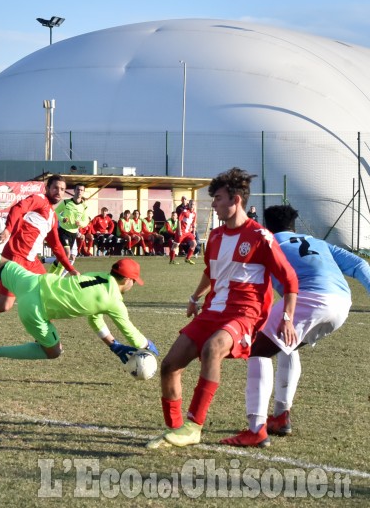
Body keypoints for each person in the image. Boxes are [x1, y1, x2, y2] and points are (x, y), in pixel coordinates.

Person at [147, 167, 298, 449]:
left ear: (236, 199)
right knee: (169, 365)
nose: (213, 204)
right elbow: (211, 272)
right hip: (212, 310)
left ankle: (194, 424)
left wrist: (287, 317)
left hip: (244, 314)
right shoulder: (215, 237)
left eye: (217, 198)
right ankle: (177, 429)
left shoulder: (260, 237)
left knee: (212, 349)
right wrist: (194, 298)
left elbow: (290, 280)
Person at [219, 204, 370, 447]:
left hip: (310, 298)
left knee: (258, 349)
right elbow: (362, 265)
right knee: (287, 345)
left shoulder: (267, 241)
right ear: (294, 226)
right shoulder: (319, 243)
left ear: (267, 225)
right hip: (341, 304)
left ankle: (256, 429)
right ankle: (280, 416)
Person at [0, 212, 157, 365]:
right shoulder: (114, 301)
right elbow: (131, 333)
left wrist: (113, 344)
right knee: (54, 351)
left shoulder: (99, 276)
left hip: (34, 281)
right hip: (35, 309)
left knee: (0, 262)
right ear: (127, 280)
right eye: (134, 281)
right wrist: (148, 347)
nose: (133, 285)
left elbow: (94, 316)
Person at [0, 175, 79, 340]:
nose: (58, 192)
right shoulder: (39, 200)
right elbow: (18, 208)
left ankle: (45, 337)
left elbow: (56, 245)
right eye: (55, 187)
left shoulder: (52, 216)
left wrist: (71, 269)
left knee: (48, 295)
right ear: (47, 188)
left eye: (62, 189)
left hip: (32, 262)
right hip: (14, 257)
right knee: (3, 305)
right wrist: (8, 229)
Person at [51, 183, 91, 274]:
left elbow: (86, 221)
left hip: (73, 233)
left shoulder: (84, 207)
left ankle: (50, 275)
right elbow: (56, 212)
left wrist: (80, 223)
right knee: (67, 254)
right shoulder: (66, 202)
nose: (79, 191)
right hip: (63, 231)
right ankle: (57, 278)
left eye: (81, 190)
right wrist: (62, 219)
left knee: (61, 257)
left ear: (83, 192)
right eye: (78, 189)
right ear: (74, 190)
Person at [172, 200, 198, 264]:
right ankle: (172, 260)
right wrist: (180, 231)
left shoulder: (194, 214)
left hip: (188, 233)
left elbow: (194, 224)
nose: (192, 205)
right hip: (182, 231)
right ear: (188, 204)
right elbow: (179, 221)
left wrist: (194, 233)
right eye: (191, 204)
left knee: (194, 244)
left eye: (193, 204)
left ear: (195, 205)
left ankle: (188, 258)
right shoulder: (184, 211)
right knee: (176, 245)